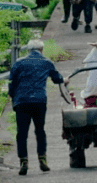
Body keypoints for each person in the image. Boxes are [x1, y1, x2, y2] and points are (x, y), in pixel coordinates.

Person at [8, 38, 67, 175]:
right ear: (41, 49)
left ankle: (23, 161)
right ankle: (42, 160)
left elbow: (12, 84)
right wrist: (65, 80)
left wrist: (13, 97)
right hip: (39, 101)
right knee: (40, 131)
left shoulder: (19, 63)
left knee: (21, 133)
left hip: (21, 101)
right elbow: (57, 79)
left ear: (28, 49)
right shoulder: (46, 62)